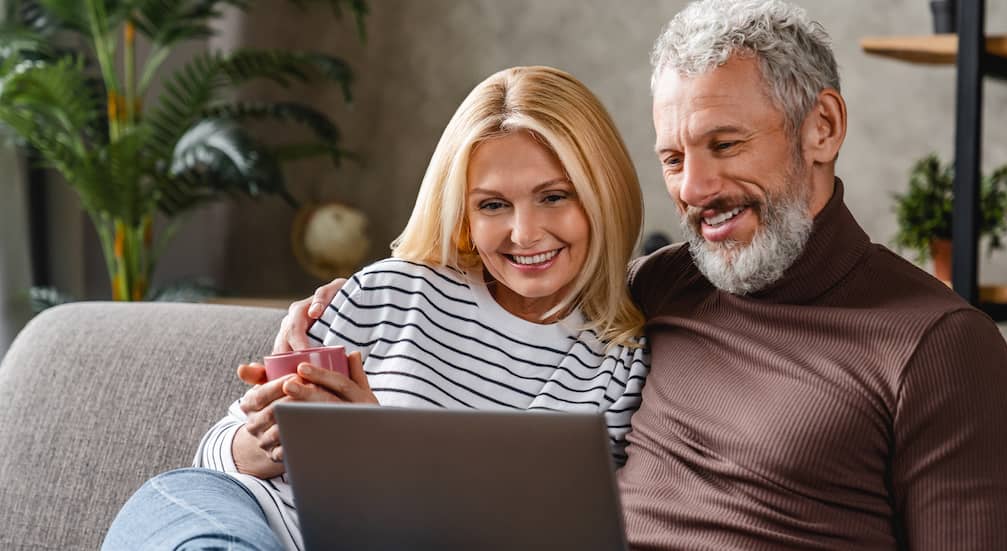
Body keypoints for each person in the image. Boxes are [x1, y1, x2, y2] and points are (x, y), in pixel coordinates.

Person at [282, 1, 1007, 548]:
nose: (695, 188)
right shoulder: (654, 289)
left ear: (823, 127)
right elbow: (508, 307)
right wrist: (340, 317)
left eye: (726, 144)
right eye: (674, 158)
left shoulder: (936, 345)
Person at [101, 65, 650, 551]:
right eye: (493, 205)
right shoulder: (392, 290)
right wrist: (269, 436)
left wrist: (370, 449)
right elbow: (216, 453)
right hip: (235, 516)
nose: (524, 233)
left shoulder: (616, 366)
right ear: (464, 212)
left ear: (602, 192)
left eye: (554, 196)